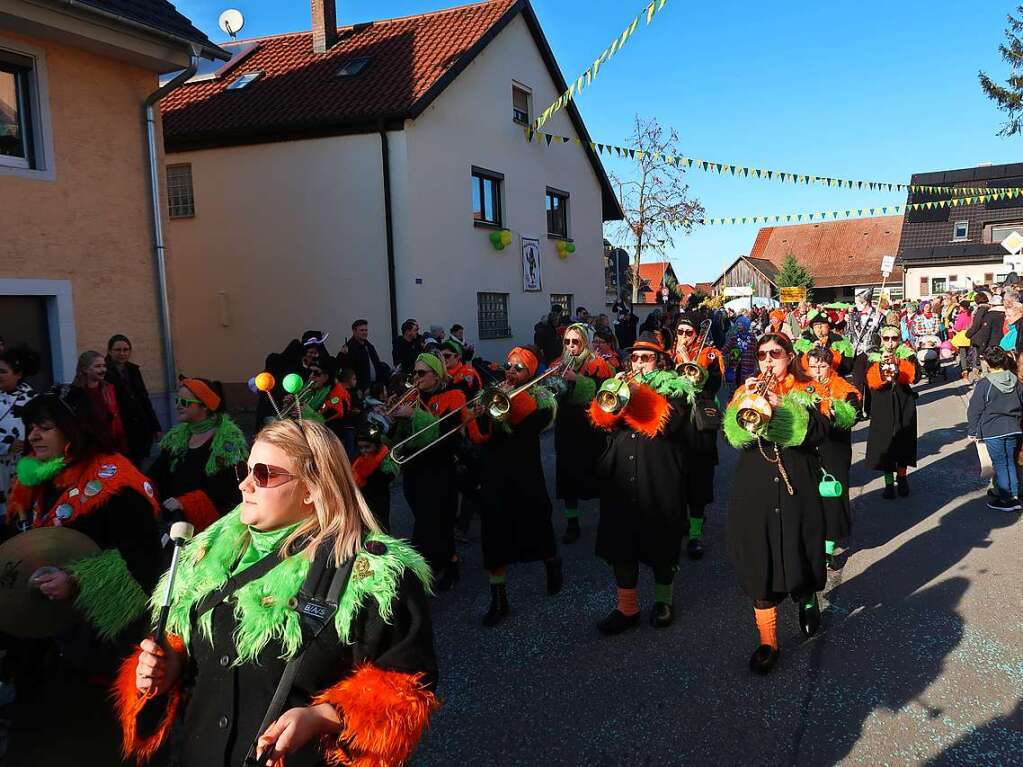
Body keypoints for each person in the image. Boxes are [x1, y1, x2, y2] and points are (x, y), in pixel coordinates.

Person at [117, 419, 438, 767]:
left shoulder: (373, 575)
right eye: (245, 469)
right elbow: (184, 648)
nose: (243, 485)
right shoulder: (204, 555)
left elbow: (406, 688)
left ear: (312, 489)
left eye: (263, 474)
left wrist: (324, 717)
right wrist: (169, 664)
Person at [7, 387, 162, 640]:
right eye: (31, 427)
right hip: (45, 624)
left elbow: (144, 560)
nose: (33, 436)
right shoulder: (34, 480)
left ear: (73, 430)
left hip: (97, 633)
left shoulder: (118, 486)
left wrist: (77, 581)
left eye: (45, 428)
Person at [722, 334, 829, 674]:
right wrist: (747, 401)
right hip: (755, 484)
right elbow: (733, 436)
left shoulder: (808, 388)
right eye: (762, 354)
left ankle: (808, 598)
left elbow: (820, 431)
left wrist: (781, 406)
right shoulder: (745, 391)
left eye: (775, 353)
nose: (768, 360)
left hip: (798, 479)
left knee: (801, 544)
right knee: (758, 554)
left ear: (790, 356)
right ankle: (768, 641)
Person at [588, 331, 693, 634]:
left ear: (659, 362)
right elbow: (599, 422)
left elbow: (667, 422)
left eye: (646, 358)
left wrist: (634, 393)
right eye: (634, 357)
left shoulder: (677, 389)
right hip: (621, 476)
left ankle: (663, 602)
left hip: (658, 477)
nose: (638, 363)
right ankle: (627, 608)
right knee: (621, 545)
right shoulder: (620, 387)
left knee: (662, 545)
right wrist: (613, 392)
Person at [467, 346, 562, 627]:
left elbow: (529, 426)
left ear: (531, 373)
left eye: (518, 367)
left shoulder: (542, 400)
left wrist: (507, 400)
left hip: (525, 472)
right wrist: (481, 412)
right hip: (495, 473)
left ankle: (551, 562)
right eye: (509, 365)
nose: (510, 371)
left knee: (537, 525)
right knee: (493, 534)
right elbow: (481, 436)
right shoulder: (493, 392)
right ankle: (499, 600)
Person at [389, 352, 465, 591]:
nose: (416, 377)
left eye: (421, 373)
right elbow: (399, 439)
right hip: (415, 470)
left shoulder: (453, 396)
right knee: (428, 521)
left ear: (436, 375)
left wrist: (414, 415)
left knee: (434, 522)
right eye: (415, 373)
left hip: (440, 469)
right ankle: (446, 562)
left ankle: (428, 575)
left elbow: (446, 433)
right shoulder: (412, 398)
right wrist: (391, 419)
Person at [147, 377, 247, 533]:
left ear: (205, 406)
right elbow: (157, 473)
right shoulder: (177, 437)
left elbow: (227, 490)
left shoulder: (228, 441)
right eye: (177, 400)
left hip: (210, 529)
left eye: (185, 402)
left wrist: (186, 503)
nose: (179, 406)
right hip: (174, 523)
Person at [552, 324, 614, 544]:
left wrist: (576, 380)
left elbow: (603, 392)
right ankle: (572, 523)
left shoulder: (597, 364)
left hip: (589, 425)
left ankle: (606, 522)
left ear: (584, 343)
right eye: (567, 342)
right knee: (567, 476)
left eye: (575, 342)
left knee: (597, 475)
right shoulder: (557, 364)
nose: (570, 346)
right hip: (566, 425)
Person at [804, 347, 861, 569]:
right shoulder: (800, 387)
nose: (817, 370)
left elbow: (852, 416)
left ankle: (827, 550)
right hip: (807, 450)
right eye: (813, 366)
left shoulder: (844, 389)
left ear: (831, 366)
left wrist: (836, 408)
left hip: (833, 451)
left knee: (830, 500)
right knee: (808, 498)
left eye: (822, 366)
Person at [673, 315, 724, 559]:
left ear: (696, 334)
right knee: (676, 477)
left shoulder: (711, 354)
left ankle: (695, 535)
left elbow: (714, 384)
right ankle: (682, 521)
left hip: (700, 422)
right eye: (680, 332)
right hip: (675, 423)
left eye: (688, 331)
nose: (683, 336)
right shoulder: (666, 356)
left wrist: (688, 361)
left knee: (699, 479)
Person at [865, 324, 920, 500]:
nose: (890, 343)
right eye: (886, 338)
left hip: (904, 401)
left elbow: (915, 376)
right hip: (883, 404)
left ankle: (902, 477)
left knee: (904, 440)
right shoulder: (874, 356)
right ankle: (888, 482)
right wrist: (882, 365)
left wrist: (898, 364)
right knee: (885, 442)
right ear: (881, 339)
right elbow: (870, 380)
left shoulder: (907, 354)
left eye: (894, 338)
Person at [967, 347, 1023, 511]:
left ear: (987, 362)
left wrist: (972, 431)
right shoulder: (1014, 380)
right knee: (1010, 462)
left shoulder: (985, 384)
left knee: (1000, 464)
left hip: (993, 429)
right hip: (1013, 427)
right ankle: (1014, 495)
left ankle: (1006, 499)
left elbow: (975, 409)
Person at [105, 335, 162, 466]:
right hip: (120, 431)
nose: (122, 353)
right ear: (110, 351)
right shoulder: (104, 372)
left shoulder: (133, 370)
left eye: (126, 350)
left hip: (139, 429)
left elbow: (144, 399)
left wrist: (155, 426)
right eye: (118, 350)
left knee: (138, 466)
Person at [0, 345, 38, 523]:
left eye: (3, 371)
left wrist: (29, 444)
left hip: (23, 469)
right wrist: (5, 445)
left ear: (18, 374)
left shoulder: (33, 399)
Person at [73, 350, 128, 453]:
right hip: (88, 447)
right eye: (98, 366)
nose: (103, 370)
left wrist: (121, 443)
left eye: (104, 366)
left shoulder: (108, 389)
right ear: (85, 369)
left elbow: (116, 417)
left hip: (110, 444)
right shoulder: (75, 393)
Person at [352, 423, 398, 530]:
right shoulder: (359, 460)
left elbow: (385, 479)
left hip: (378, 504)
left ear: (377, 445)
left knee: (380, 527)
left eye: (367, 447)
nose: (364, 451)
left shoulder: (385, 464)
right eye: (360, 447)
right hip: (363, 503)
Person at [848, 289, 884, 416]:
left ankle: (869, 409)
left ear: (865, 302)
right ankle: (857, 409)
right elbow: (849, 334)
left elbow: (882, 335)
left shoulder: (878, 316)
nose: (857, 304)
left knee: (870, 381)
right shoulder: (853, 316)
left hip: (871, 352)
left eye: (859, 302)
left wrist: (876, 324)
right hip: (857, 353)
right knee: (857, 382)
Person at [337, 319, 387, 393]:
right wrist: (358, 389)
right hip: (361, 390)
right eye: (361, 330)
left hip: (375, 387)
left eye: (366, 330)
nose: (364, 332)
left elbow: (377, 365)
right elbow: (348, 371)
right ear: (354, 331)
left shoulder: (369, 346)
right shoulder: (349, 348)